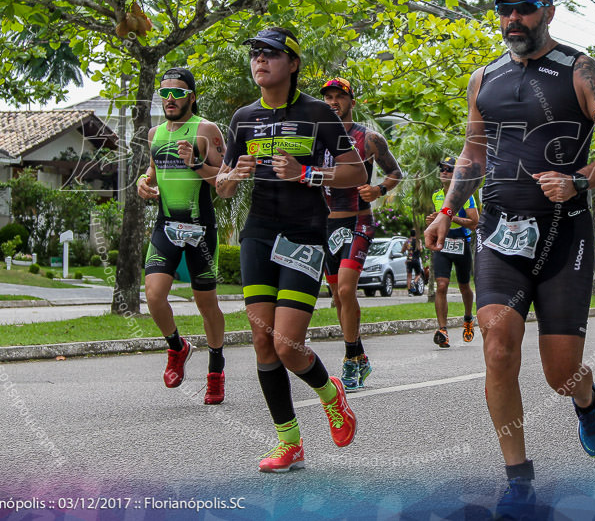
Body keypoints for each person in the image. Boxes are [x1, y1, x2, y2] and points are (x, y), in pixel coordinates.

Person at [425, 0, 595, 516]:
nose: (511, 19)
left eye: (522, 9)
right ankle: (518, 476)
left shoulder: (580, 70)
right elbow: (472, 155)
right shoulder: (484, 79)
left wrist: (580, 179)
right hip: (500, 231)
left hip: (564, 233)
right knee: (497, 340)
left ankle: (586, 401)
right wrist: (448, 211)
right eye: (504, 9)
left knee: (560, 373)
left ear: (546, 11)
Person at [215, 27, 366, 473]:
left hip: (303, 233)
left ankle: (329, 393)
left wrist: (307, 173)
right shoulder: (243, 119)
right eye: (256, 54)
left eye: (271, 54)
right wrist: (231, 177)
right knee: (262, 340)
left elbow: (355, 172)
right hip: (258, 232)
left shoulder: (319, 113)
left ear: (293, 63)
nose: (260, 60)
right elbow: (222, 186)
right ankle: (290, 443)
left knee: (287, 344)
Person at [136, 67, 227, 404]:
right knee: (154, 294)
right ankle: (177, 346)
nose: (170, 99)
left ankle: (215, 368)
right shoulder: (154, 133)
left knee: (206, 302)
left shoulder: (206, 130)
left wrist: (195, 163)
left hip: (200, 227)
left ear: (192, 96)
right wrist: (144, 183)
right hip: (167, 226)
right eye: (164, 92)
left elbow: (223, 178)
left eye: (177, 92)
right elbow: (153, 169)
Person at [320, 76, 404, 391]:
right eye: (327, 98)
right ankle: (359, 356)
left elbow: (396, 172)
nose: (332, 102)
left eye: (338, 97)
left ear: (351, 102)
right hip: (327, 225)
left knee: (345, 291)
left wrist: (379, 188)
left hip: (358, 220)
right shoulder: (317, 139)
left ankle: (350, 359)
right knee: (337, 297)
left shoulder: (368, 138)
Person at [424, 157, 478, 347]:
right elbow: (439, 220)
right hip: (442, 243)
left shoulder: (466, 195)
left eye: (449, 169)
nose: (444, 172)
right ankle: (442, 330)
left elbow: (474, 223)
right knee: (441, 285)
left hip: (461, 243)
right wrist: (433, 220)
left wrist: (451, 218)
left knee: (464, 286)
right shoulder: (437, 196)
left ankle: (468, 318)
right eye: (442, 169)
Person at [404, 229, 425, 295]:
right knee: (418, 274)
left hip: (409, 259)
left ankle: (409, 291)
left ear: (410, 234)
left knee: (409, 276)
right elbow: (420, 249)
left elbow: (404, 249)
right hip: (416, 259)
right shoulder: (418, 241)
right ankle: (414, 282)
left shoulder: (408, 241)